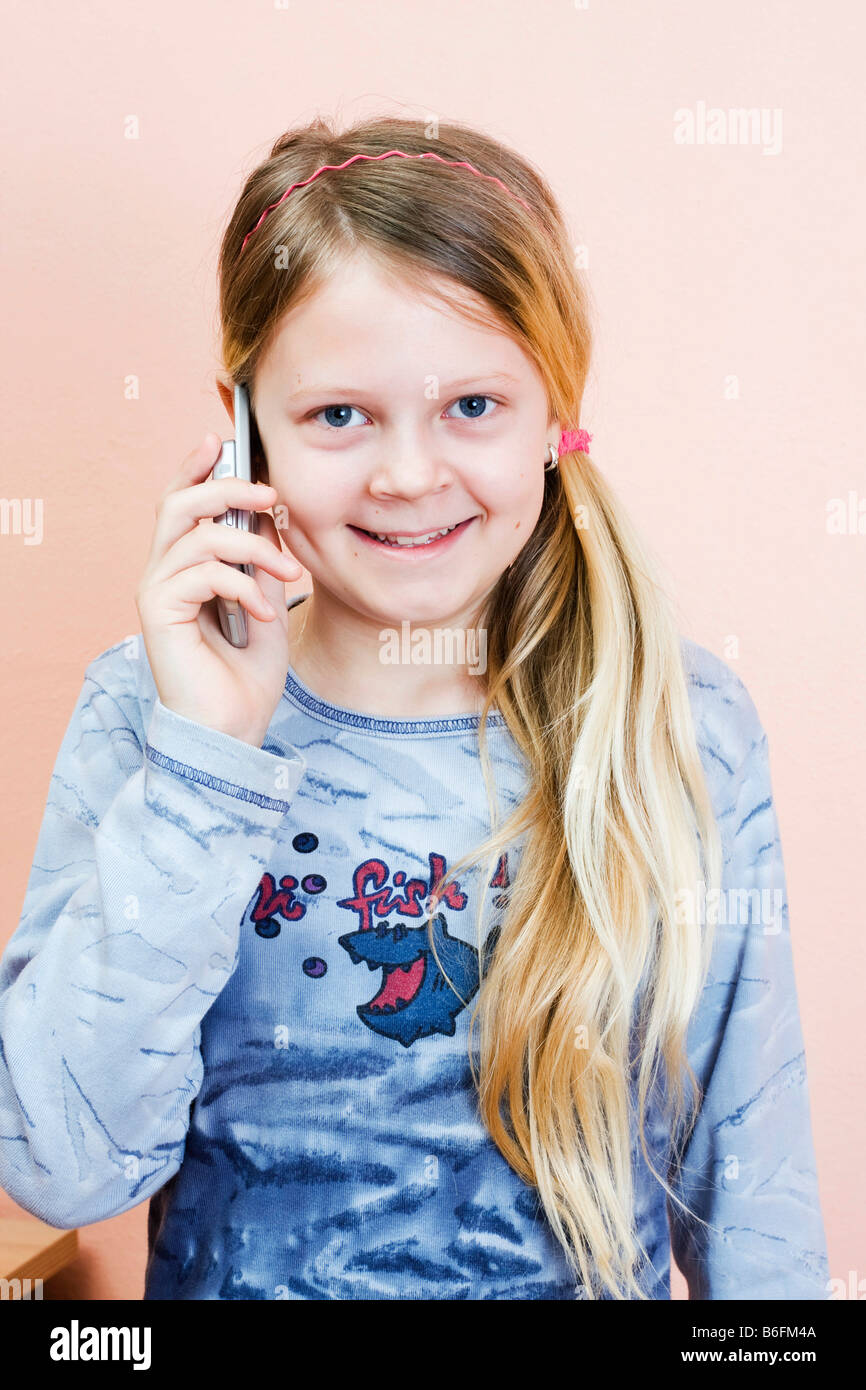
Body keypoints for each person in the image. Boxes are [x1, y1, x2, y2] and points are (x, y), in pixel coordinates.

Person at [0, 116, 829, 1300]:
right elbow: (59, 1170)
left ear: (556, 411)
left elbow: (757, 1203)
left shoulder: (679, 719)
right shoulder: (148, 712)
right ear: (243, 427)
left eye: (472, 408)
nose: (405, 475)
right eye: (339, 415)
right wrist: (204, 761)